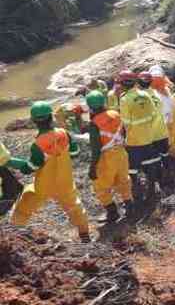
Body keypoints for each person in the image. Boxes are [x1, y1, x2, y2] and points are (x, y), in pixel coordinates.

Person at [6, 102, 91, 243]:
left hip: (44, 186)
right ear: (51, 117)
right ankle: (85, 235)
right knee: (75, 207)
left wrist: (11, 162)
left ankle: (15, 231)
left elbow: (30, 168)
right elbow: (75, 152)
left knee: (25, 202)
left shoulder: (37, 145)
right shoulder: (64, 134)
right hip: (65, 182)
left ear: (33, 121)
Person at [85, 90, 133, 224]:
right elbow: (124, 132)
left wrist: (92, 167)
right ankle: (129, 206)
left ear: (90, 106)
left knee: (101, 186)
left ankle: (112, 213)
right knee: (123, 180)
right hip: (121, 153)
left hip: (106, 157)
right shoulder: (116, 114)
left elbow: (96, 149)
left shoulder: (94, 124)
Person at [119, 70, 158, 208]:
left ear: (122, 84)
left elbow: (125, 123)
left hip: (133, 141)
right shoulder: (145, 95)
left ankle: (137, 195)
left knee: (132, 170)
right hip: (148, 137)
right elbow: (153, 115)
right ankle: (152, 191)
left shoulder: (124, 99)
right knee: (149, 166)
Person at [138, 72, 171, 196]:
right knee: (165, 156)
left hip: (150, 135)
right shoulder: (157, 95)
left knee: (152, 161)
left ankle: (154, 185)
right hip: (162, 132)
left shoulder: (141, 98)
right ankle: (167, 179)